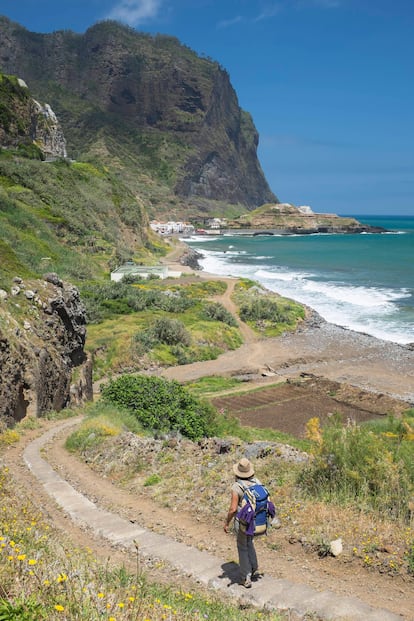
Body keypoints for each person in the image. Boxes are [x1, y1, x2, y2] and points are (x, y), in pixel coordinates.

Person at [223, 457, 264, 588]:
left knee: (242, 546)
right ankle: (254, 567)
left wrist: (226, 522)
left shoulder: (237, 486)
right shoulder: (257, 482)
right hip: (256, 520)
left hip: (243, 521)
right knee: (249, 542)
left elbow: (233, 509)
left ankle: (245, 577)